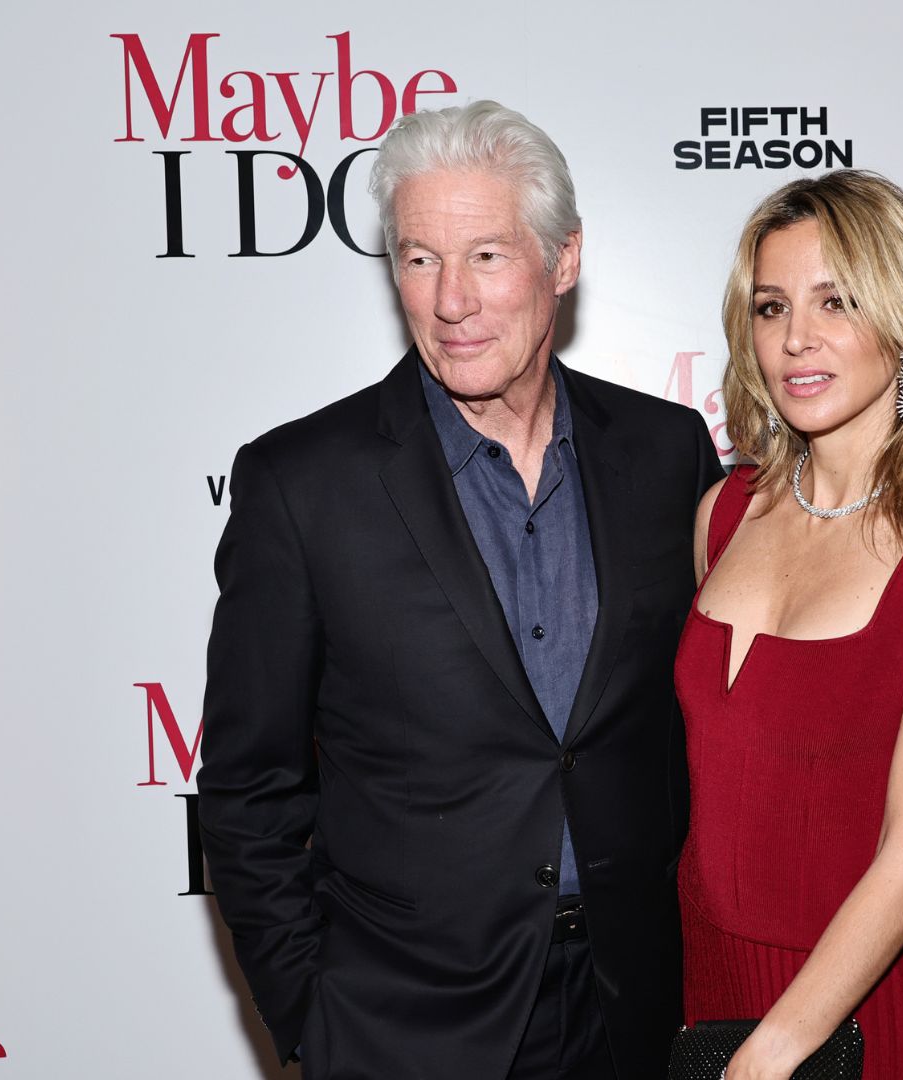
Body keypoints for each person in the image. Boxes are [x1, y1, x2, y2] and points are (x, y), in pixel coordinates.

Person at [197, 100, 722, 1080]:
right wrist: (317, 1020)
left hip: (635, 1008)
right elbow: (246, 789)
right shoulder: (302, 485)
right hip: (406, 1025)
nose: (450, 302)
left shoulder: (667, 456)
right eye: (418, 258)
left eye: (486, 255)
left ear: (562, 261)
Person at [675, 171, 903, 1080]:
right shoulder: (723, 514)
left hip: (856, 1008)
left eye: (837, 301)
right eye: (772, 306)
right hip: (710, 986)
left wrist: (774, 1054)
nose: (796, 338)